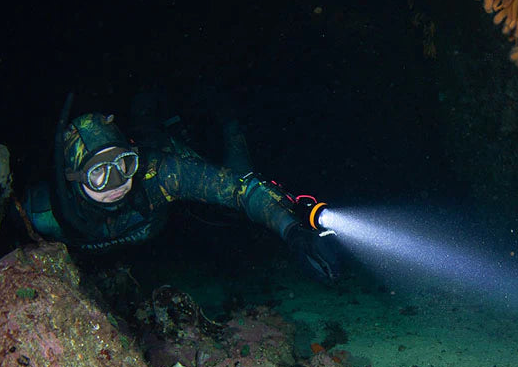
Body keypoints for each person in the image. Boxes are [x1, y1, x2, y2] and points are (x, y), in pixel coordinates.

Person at [20, 93, 339, 282]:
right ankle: (145, 108)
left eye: (124, 164)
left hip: (166, 156)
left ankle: (224, 120)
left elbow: (238, 188)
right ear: (73, 177)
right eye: (98, 174)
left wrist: (292, 230)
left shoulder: (158, 174)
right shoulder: (40, 213)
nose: (117, 183)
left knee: (236, 180)